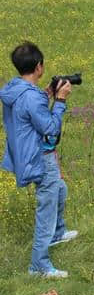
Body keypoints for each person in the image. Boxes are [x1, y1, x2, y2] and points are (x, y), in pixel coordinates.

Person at [0, 42, 78, 278]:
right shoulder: (31, 98)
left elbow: (27, 111)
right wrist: (61, 101)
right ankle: (39, 265)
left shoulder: (16, 89)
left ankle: (57, 233)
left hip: (26, 153)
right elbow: (51, 128)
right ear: (39, 66)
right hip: (40, 157)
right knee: (47, 208)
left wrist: (45, 94)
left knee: (60, 190)